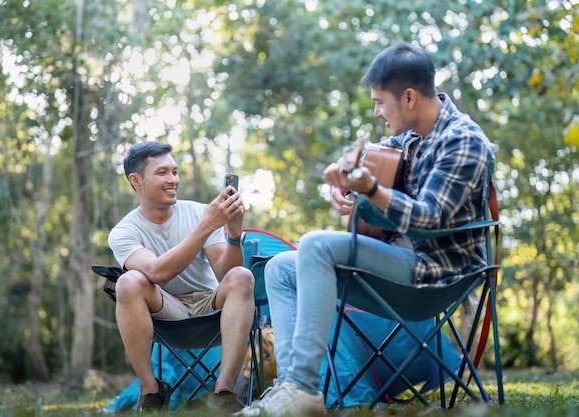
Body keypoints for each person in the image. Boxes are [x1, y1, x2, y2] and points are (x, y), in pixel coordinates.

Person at [235, 41, 495, 417]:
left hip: (437, 273)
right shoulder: (408, 138)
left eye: (379, 102)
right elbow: (364, 156)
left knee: (317, 245)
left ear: (408, 97)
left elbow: (431, 218)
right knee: (280, 268)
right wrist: (339, 184)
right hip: (398, 264)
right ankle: (292, 388)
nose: (376, 112)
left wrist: (370, 191)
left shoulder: (464, 140)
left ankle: (303, 388)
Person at [108, 142, 255, 412]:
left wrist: (234, 235)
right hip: (166, 310)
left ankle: (224, 391)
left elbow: (226, 274)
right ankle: (150, 391)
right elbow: (156, 273)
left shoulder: (198, 213)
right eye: (162, 173)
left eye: (175, 172)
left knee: (242, 276)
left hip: (210, 305)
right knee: (127, 281)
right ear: (136, 180)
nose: (173, 180)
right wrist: (206, 226)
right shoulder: (124, 231)